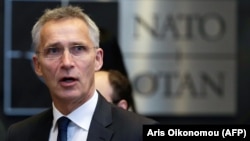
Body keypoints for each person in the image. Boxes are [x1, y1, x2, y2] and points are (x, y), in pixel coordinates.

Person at [6, 5, 158, 141]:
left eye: (78, 49)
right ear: (37, 65)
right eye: (53, 50)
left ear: (98, 59)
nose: (66, 62)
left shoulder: (139, 132)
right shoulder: (20, 135)